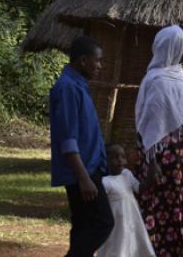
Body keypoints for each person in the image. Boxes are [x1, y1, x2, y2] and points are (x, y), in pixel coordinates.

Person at [134, 25, 183, 257]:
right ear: (173, 48)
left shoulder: (176, 76)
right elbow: (149, 126)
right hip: (162, 165)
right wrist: (151, 164)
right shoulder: (157, 81)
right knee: (164, 215)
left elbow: (181, 104)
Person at [49, 36, 114, 257]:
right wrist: (84, 178)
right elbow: (68, 139)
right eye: (98, 61)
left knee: (84, 226)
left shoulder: (78, 85)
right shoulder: (67, 88)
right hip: (82, 171)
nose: (100, 66)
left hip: (88, 168)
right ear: (84, 60)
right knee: (102, 223)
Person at [97, 144, 156, 257]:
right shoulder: (105, 182)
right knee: (118, 247)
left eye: (122, 157)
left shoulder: (127, 174)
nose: (120, 160)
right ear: (106, 160)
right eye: (115, 157)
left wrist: (150, 175)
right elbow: (100, 206)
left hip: (133, 221)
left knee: (134, 244)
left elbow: (139, 188)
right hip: (116, 226)